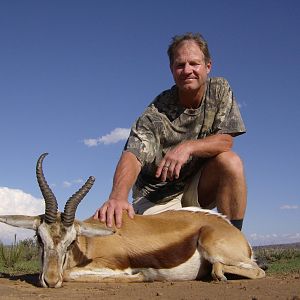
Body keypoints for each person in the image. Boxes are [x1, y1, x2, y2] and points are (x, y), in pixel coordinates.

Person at [94, 32, 247, 231]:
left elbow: (225, 141)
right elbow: (133, 154)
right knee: (164, 254)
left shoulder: (219, 89)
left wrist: (188, 147)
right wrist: (117, 197)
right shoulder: (155, 113)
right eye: (180, 65)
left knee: (230, 161)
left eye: (194, 63)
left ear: (208, 66)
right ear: (172, 70)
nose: (187, 70)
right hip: (156, 197)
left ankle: (235, 244)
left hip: (194, 189)